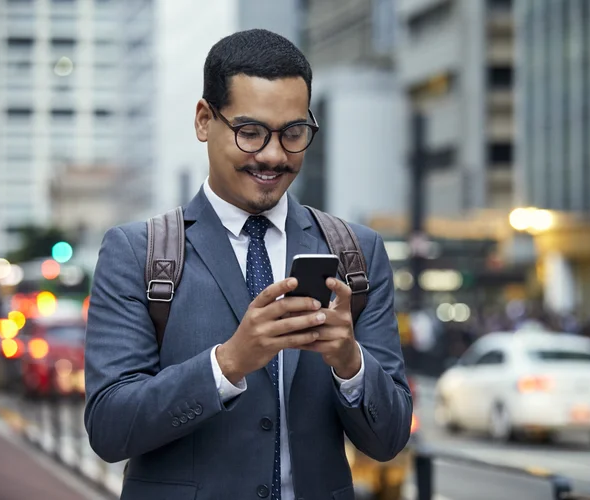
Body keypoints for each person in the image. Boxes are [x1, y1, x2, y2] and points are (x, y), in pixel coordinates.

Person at [83, 29, 412, 500]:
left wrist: (349, 361)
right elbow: (110, 429)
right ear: (203, 120)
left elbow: (390, 439)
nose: (274, 155)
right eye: (251, 132)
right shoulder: (137, 253)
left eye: (294, 133)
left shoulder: (356, 253)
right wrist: (229, 362)